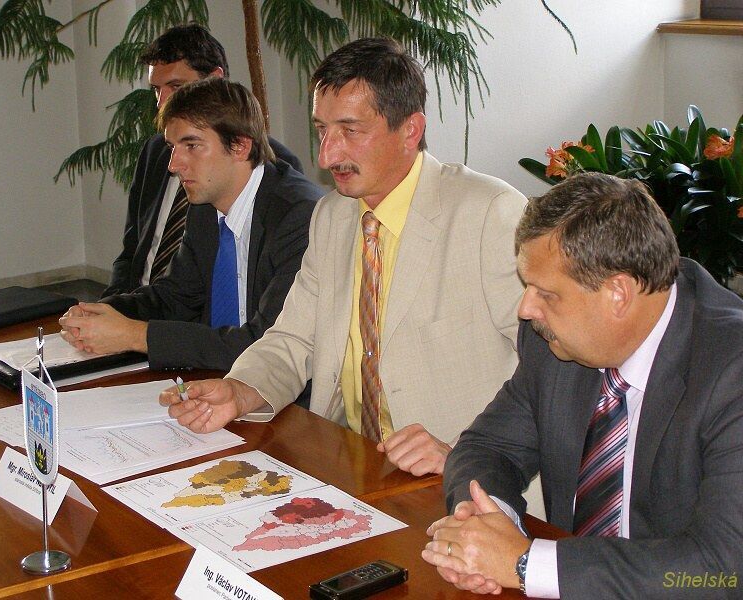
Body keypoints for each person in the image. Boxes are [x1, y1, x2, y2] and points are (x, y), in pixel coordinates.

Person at [160, 38, 526, 477]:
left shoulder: (489, 213)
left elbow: (549, 373)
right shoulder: (332, 215)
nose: (327, 155)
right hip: (351, 459)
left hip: (460, 479)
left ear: (410, 130)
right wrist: (240, 390)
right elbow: (294, 338)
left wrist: (468, 455)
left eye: (350, 131)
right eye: (322, 130)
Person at [423, 173, 743, 598]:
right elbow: (488, 447)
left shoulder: (730, 371)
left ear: (618, 294)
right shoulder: (554, 345)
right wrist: (485, 523)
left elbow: (723, 569)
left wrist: (525, 564)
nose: (525, 309)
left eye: (546, 293)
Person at [59, 78, 321, 371]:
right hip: (213, 379)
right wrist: (102, 312)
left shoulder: (299, 218)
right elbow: (176, 298)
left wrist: (134, 335)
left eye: (192, 145)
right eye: (172, 147)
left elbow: (266, 344)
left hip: (280, 389)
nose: (173, 164)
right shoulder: (206, 204)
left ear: (240, 146)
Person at [102, 24, 303, 298]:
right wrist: (111, 305)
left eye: (176, 86)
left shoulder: (273, 169)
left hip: (200, 313)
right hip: (146, 300)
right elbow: (131, 251)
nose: (162, 103)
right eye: (156, 90)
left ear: (214, 80)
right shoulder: (156, 151)